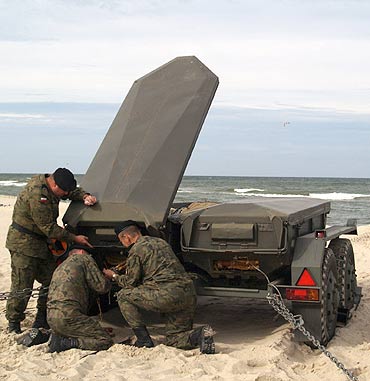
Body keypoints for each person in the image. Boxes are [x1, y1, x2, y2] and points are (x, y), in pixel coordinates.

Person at [6, 168, 97, 334]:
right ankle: (14, 323)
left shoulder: (54, 185)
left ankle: (42, 318)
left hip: (41, 245)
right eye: (63, 191)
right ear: (54, 184)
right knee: (22, 284)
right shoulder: (37, 194)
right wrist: (75, 238)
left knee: (52, 279)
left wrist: (84, 196)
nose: (65, 194)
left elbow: (70, 191)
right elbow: (48, 228)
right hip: (23, 244)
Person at [103, 220, 215, 354]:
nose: (122, 244)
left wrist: (114, 276)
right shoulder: (161, 242)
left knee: (123, 295)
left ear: (126, 237)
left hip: (166, 295)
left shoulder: (136, 250)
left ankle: (143, 340)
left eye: (121, 240)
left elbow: (131, 283)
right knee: (174, 339)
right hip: (187, 293)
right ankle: (200, 334)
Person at [47, 244, 113, 353]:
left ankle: (60, 339)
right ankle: (67, 343)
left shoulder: (61, 266)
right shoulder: (84, 258)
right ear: (82, 252)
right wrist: (109, 276)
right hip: (69, 317)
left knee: (88, 331)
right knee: (104, 340)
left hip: (52, 318)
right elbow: (102, 287)